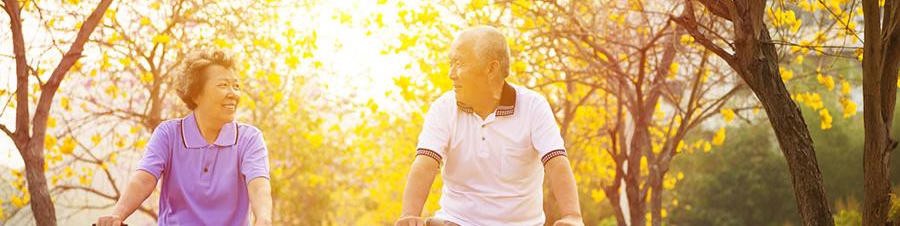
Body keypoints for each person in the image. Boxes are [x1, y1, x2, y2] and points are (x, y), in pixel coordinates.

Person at [395, 26, 584, 226]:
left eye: (458, 63)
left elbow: (556, 162)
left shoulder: (533, 106)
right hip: (456, 222)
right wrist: (409, 214)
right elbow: (425, 164)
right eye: (451, 64)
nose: (451, 74)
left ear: (491, 68)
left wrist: (573, 216)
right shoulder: (444, 108)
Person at [96, 48, 273, 226]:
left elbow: (259, 186)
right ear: (195, 93)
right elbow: (144, 179)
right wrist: (117, 215)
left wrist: (263, 219)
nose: (233, 93)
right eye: (223, 85)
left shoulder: (249, 138)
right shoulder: (169, 134)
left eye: (236, 86)